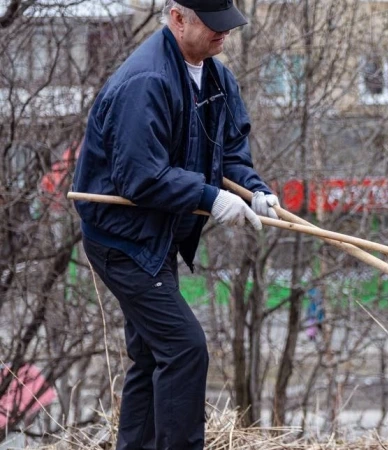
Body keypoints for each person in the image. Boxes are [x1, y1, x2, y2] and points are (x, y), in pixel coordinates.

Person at [72, 0, 280, 448]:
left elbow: (231, 154)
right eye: (213, 25)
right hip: (122, 240)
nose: (223, 34)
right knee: (185, 348)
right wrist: (210, 197)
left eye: (228, 25)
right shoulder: (146, 81)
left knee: (151, 355)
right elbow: (138, 177)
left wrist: (254, 189)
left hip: (158, 232)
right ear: (177, 17)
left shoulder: (217, 76)